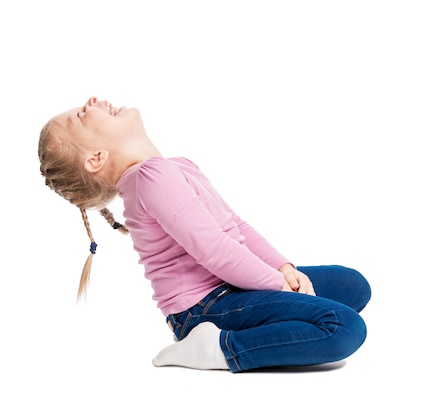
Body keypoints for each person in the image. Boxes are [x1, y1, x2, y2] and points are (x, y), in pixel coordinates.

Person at [38, 97, 371, 372]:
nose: (93, 101)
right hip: (203, 308)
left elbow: (234, 226)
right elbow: (214, 250)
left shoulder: (172, 167)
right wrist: (277, 284)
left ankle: (261, 324)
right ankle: (219, 349)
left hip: (231, 286)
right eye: (82, 114)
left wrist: (283, 268)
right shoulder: (151, 179)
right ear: (96, 158)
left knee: (352, 286)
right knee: (344, 330)